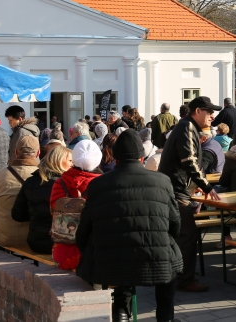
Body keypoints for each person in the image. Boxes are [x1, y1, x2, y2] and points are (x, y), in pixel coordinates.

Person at [74, 129, 182, 322]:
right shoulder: (163, 181)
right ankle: (165, 317)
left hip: (111, 258)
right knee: (168, 268)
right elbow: (175, 224)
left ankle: (121, 312)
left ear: (115, 158)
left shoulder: (98, 184)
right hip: (156, 257)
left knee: (121, 273)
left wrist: (86, 250)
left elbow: (85, 228)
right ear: (142, 157)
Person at [158, 96, 221, 292]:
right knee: (187, 234)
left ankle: (175, 275)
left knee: (180, 234)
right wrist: (207, 186)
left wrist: (196, 183)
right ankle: (184, 280)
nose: (212, 116)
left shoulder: (188, 126)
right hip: (175, 192)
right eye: (209, 112)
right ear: (197, 111)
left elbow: (189, 164)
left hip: (176, 189)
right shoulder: (187, 127)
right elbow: (190, 161)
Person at [49, 140, 101, 270]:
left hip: (62, 254)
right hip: (92, 256)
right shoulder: (101, 185)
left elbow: (53, 212)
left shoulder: (59, 183)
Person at [11, 146, 71, 254]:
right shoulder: (67, 184)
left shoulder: (30, 181)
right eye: (70, 160)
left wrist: (36, 215)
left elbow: (17, 215)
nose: (73, 164)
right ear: (59, 162)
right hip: (61, 243)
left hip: (35, 242)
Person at [0, 136, 40, 249]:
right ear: (38, 153)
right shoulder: (45, 177)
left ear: (16, 152)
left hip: (4, 239)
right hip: (35, 239)